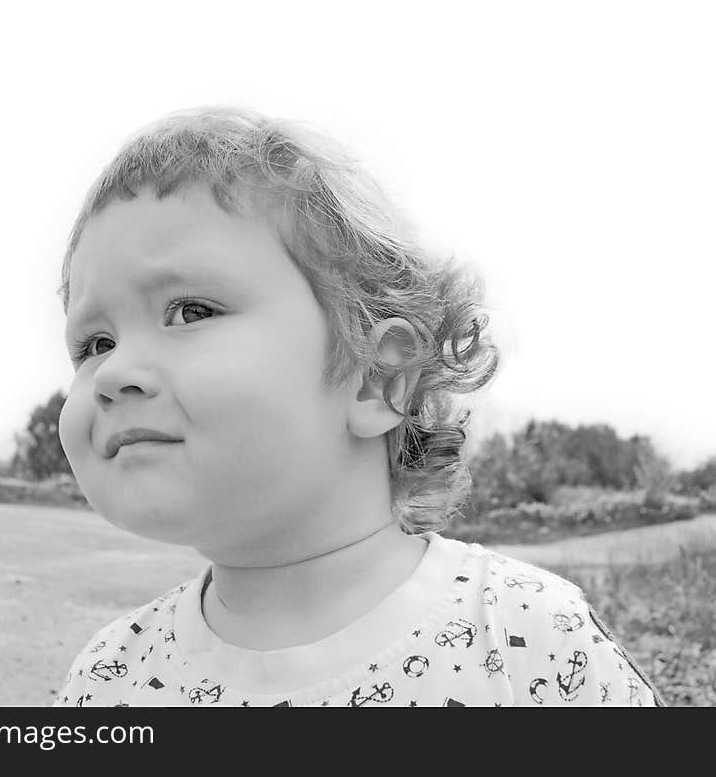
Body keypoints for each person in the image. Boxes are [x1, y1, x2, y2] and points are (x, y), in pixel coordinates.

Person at [52, 107, 665, 707]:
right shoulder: (109, 680)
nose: (114, 372)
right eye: (95, 344)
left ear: (377, 378)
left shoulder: (529, 637)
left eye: (190, 311)